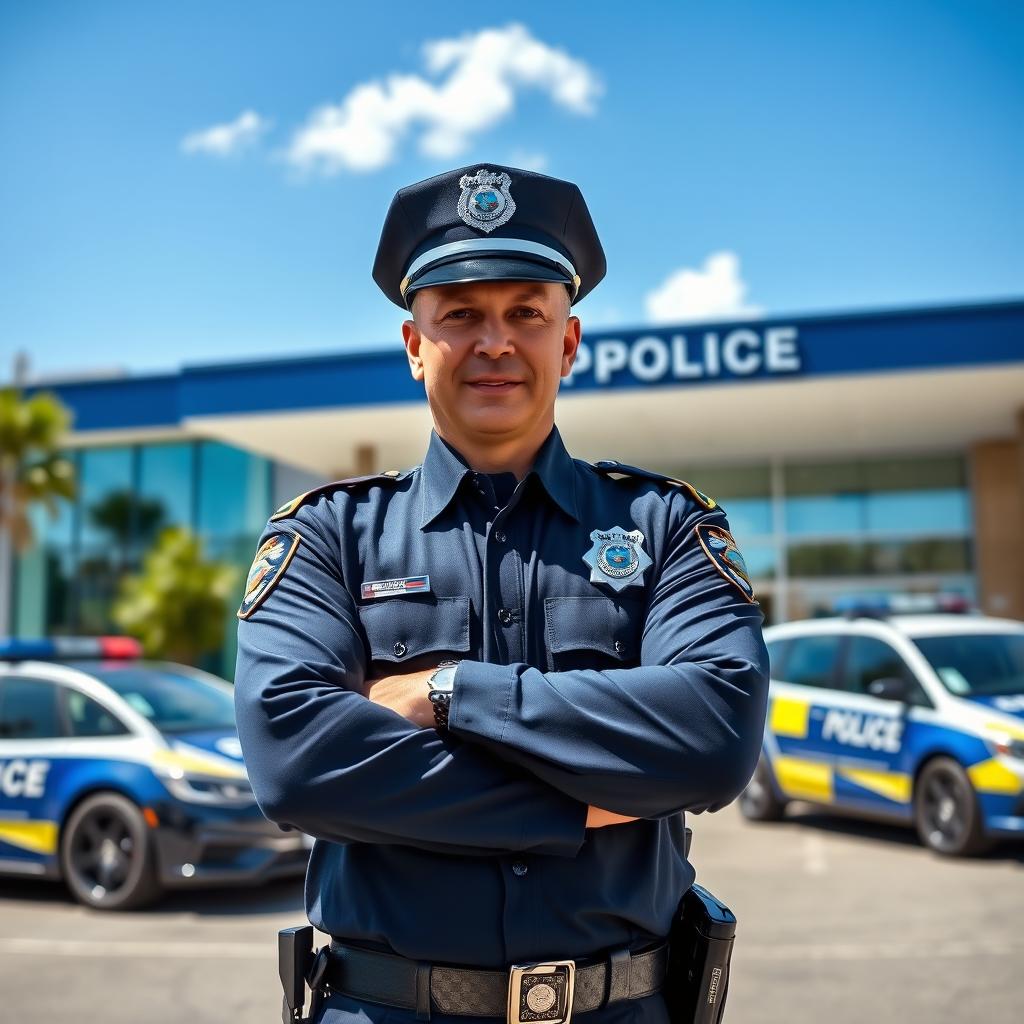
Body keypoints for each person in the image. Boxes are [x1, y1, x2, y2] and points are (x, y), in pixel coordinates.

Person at [234, 163, 769, 1024]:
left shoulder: (666, 525)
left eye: (526, 313)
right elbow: (298, 765)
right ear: (414, 344)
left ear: (569, 342)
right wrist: (584, 801)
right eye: (460, 315)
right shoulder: (329, 537)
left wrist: (451, 692)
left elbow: (714, 737)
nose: (495, 342)